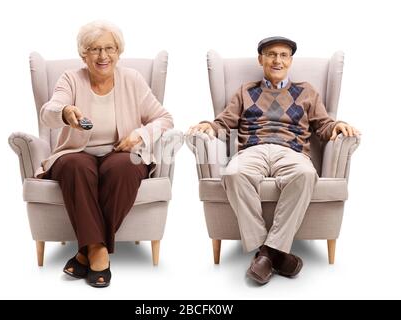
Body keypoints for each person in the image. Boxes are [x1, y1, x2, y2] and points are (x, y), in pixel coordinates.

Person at [188, 36, 359, 285]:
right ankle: (272, 251)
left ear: (290, 61)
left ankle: (266, 253)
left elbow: (323, 125)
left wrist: (338, 124)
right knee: (233, 174)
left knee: (306, 174)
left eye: (283, 55)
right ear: (261, 60)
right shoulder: (246, 91)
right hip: (252, 150)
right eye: (271, 54)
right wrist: (208, 125)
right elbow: (224, 122)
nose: (277, 60)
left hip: (292, 152)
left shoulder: (307, 91)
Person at [37, 20, 173, 287]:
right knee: (76, 165)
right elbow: (48, 112)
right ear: (83, 54)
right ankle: (98, 251)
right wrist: (64, 113)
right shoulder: (71, 78)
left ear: (118, 52)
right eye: (95, 49)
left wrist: (140, 135)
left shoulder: (132, 79)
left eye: (109, 48)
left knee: (125, 167)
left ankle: (85, 252)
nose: (102, 56)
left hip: (118, 152)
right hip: (78, 152)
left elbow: (164, 118)